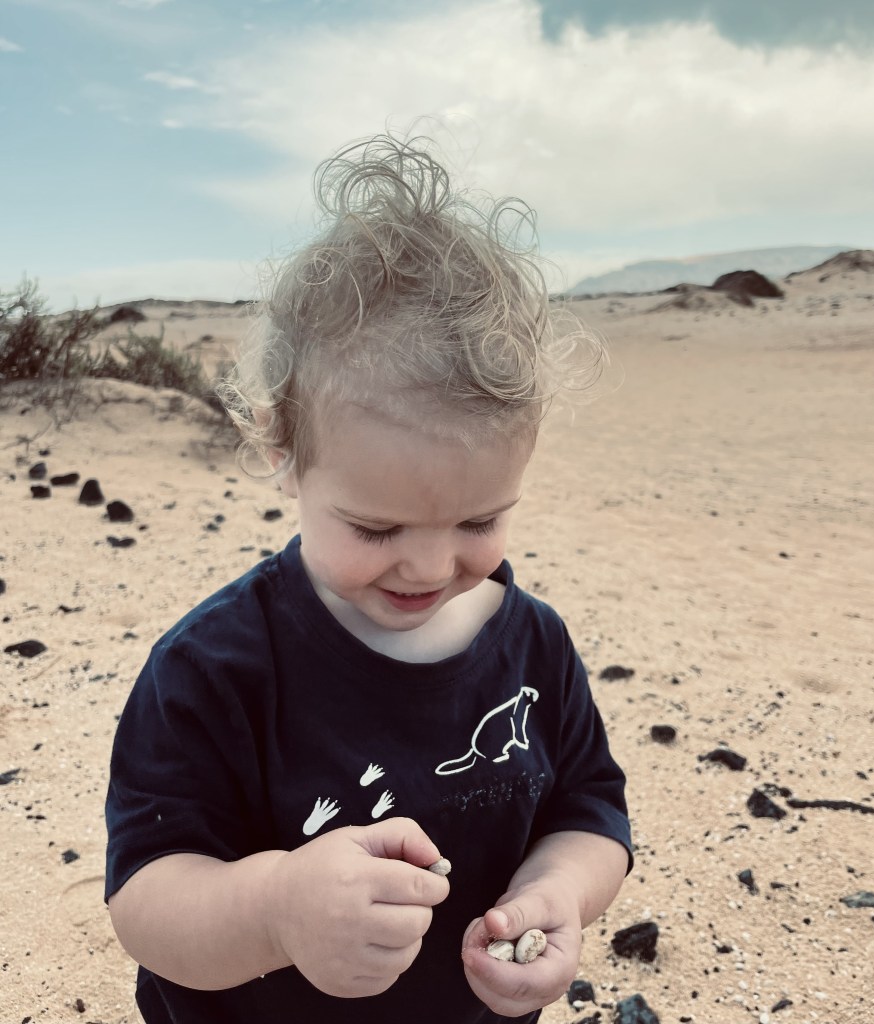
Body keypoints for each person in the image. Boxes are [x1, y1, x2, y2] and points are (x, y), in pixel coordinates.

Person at [105, 133, 633, 1024]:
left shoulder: (534, 644)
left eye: (478, 520)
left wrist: (558, 894)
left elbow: (589, 812)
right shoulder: (216, 667)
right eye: (376, 526)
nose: (431, 566)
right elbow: (146, 900)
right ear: (285, 453)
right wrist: (276, 910)